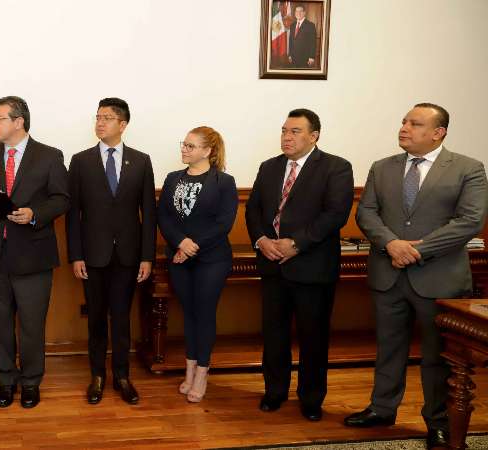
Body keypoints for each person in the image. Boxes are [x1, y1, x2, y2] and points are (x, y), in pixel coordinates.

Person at [345, 103, 488, 450]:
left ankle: (438, 422)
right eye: (404, 121)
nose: (404, 127)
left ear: (438, 133)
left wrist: (418, 249)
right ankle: (381, 409)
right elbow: (367, 214)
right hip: (388, 274)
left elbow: (470, 220)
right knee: (388, 348)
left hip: (439, 278)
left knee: (439, 356)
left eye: (415, 123)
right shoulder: (382, 168)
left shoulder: (468, 168)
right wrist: (392, 244)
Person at [245, 108, 353, 421]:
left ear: (314, 136)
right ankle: (274, 392)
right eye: (283, 131)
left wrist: (296, 244)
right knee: (274, 335)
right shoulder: (269, 167)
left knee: (313, 338)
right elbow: (253, 210)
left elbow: (335, 215)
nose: (286, 137)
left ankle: (311, 399)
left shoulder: (335, 167)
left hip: (312, 267)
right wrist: (261, 241)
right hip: (272, 266)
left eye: (294, 131)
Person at [0, 96, 69, 409]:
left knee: (32, 326)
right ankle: (6, 381)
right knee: (0, 323)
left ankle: (32, 382)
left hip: (33, 255)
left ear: (18, 121)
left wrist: (34, 213)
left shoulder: (49, 156)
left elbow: (62, 199)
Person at [67, 98, 156, 405]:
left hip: (128, 256)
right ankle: (97, 376)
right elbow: (73, 213)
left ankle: (121, 375)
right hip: (92, 256)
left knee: (121, 317)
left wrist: (147, 256)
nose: (100, 122)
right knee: (95, 319)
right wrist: (76, 255)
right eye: (98, 117)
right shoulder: (80, 161)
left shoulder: (141, 161)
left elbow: (149, 213)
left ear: (122, 124)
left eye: (106, 118)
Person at [157, 126, 238, 403]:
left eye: (191, 146)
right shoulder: (172, 178)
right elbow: (164, 217)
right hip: (179, 256)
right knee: (188, 313)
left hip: (211, 258)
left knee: (204, 313)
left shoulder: (223, 182)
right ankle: (189, 370)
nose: (184, 149)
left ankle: (202, 373)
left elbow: (224, 223)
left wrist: (192, 246)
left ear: (208, 151)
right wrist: (180, 242)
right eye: (184, 144)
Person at [288, 4, 317, 68]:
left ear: (304, 13)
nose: (298, 13)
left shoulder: (310, 25)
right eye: (297, 11)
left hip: (305, 59)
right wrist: (290, 54)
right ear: (295, 13)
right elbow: (291, 41)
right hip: (293, 58)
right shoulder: (292, 25)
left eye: (300, 11)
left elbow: (313, 42)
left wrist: (312, 57)